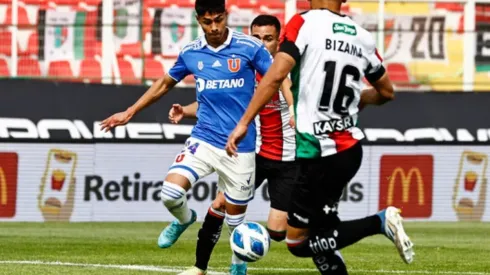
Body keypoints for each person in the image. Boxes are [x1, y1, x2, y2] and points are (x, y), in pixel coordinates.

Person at [225, 0, 415, 274]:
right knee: (323, 235)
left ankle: (380, 222)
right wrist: (357, 100)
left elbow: (276, 75)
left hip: (318, 152)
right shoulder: (362, 36)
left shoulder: (304, 23)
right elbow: (386, 92)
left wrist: (244, 122)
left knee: (298, 242)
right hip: (349, 150)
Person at [99, 1, 273, 274]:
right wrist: (130, 111)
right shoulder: (192, 52)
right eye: (207, 22)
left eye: (218, 19)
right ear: (198, 21)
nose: (214, 27)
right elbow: (165, 83)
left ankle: (238, 268)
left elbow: (278, 77)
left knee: (235, 223)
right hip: (204, 137)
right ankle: (184, 219)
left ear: (226, 16)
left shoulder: (250, 47)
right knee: (170, 193)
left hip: (241, 146)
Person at [168, 15, 297, 275]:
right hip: (252, 151)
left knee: (278, 231)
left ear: (278, 41)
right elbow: (214, 102)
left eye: (268, 39)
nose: (262, 43)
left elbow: (286, 84)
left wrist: (294, 108)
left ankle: (244, 250)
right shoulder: (244, 68)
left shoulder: (285, 71)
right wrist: (187, 111)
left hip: (286, 157)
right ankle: (200, 266)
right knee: (219, 205)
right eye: (257, 38)